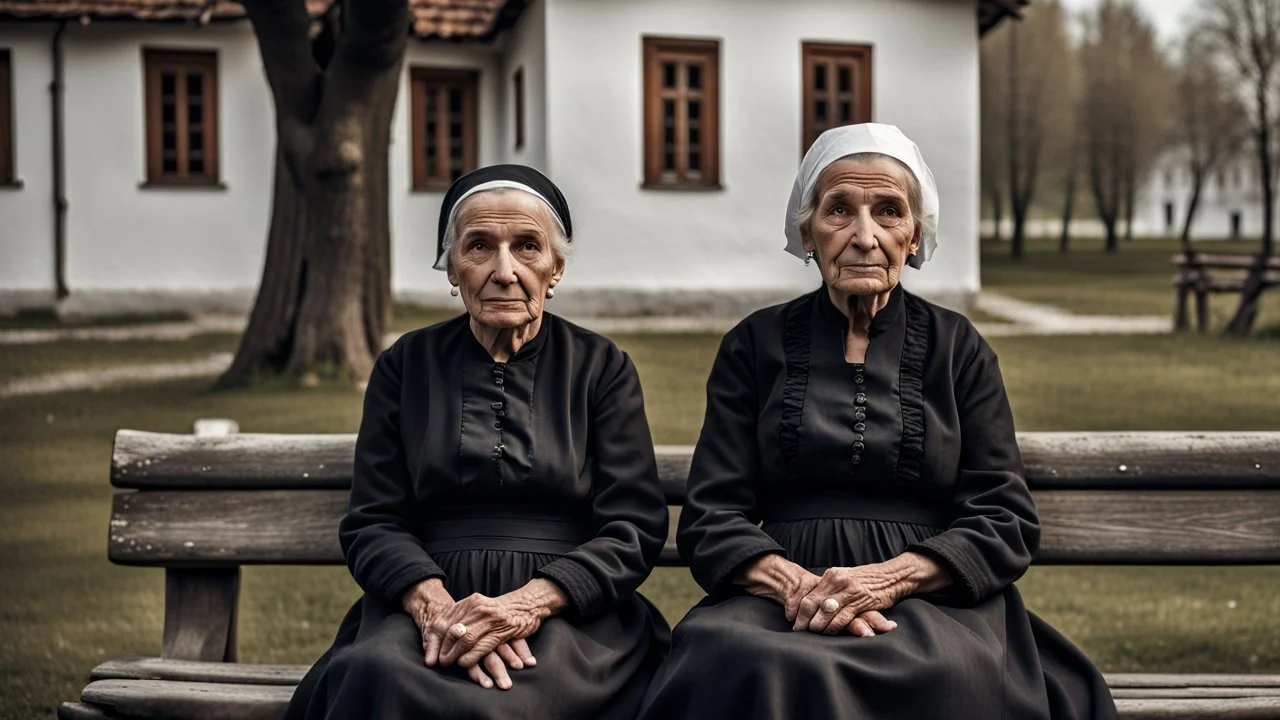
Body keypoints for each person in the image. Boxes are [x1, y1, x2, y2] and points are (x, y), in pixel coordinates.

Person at [639, 124, 1117, 719]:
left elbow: (1004, 516)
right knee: (741, 658)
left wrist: (888, 579)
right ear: (808, 232)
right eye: (840, 210)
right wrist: (799, 587)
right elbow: (711, 517)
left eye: (888, 212)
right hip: (780, 594)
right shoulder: (752, 346)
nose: (864, 236)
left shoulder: (957, 347)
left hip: (930, 595)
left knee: (947, 670)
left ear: (914, 235)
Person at [285, 165, 670, 720]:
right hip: (426, 604)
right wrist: (434, 607)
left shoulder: (601, 367)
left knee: (517, 698)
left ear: (556, 270)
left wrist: (526, 605)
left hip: (569, 613)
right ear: (452, 269)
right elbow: (373, 521)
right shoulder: (403, 367)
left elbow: (634, 526)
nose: (504, 271)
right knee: (376, 672)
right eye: (480, 247)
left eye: (528, 248)